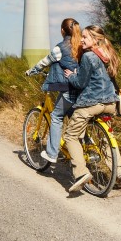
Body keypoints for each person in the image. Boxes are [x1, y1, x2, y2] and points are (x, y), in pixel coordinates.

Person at [60, 26, 120, 195]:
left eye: (85, 37)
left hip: (92, 102)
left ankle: (81, 173)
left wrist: (71, 75)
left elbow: (80, 83)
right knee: (106, 136)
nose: (82, 40)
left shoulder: (89, 56)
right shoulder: (108, 54)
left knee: (70, 136)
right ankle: (119, 172)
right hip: (110, 102)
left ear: (95, 39)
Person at [38, 17, 81, 168]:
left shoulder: (60, 47)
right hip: (83, 90)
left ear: (62, 31)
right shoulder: (82, 45)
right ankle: (84, 147)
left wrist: (31, 71)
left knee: (56, 116)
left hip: (70, 90)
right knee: (77, 120)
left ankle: (52, 153)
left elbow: (45, 61)